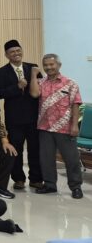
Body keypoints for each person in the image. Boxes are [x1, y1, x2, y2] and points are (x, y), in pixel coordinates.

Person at [0, 39, 43, 190]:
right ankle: (18, 179)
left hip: (34, 117)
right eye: (12, 52)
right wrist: (17, 87)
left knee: (35, 149)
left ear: (22, 51)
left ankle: (36, 179)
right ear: (6, 55)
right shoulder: (0, 72)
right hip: (14, 118)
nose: (16, 53)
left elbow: (41, 89)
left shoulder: (33, 68)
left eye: (18, 50)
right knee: (16, 149)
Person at [36, 53, 84, 199]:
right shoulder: (40, 83)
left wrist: (75, 125)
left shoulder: (70, 83)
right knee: (46, 159)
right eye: (45, 65)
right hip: (45, 127)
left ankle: (76, 187)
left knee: (71, 159)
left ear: (59, 65)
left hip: (65, 128)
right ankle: (50, 185)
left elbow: (76, 105)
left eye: (51, 64)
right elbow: (33, 95)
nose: (48, 67)